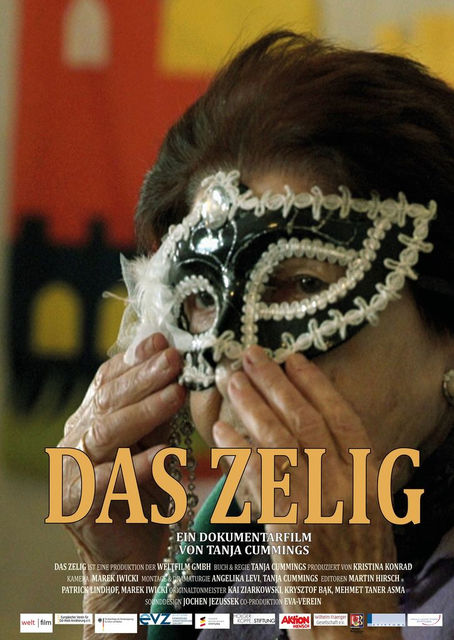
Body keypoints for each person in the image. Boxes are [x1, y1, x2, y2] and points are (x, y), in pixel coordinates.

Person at [60, 31, 454, 639]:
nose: (231, 359)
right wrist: (121, 596)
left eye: (301, 284)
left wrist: (340, 620)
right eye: (201, 300)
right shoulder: (226, 555)